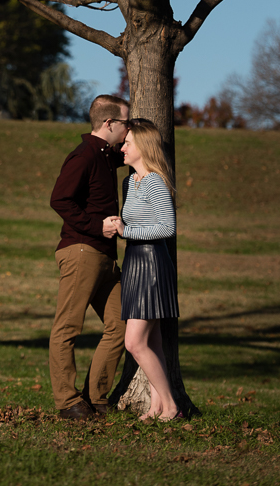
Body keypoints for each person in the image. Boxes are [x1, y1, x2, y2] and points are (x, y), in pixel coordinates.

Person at [48, 94, 129, 421]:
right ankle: (67, 401)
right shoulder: (83, 156)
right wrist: (97, 226)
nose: (128, 131)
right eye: (126, 123)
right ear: (109, 123)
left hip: (106, 258)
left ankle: (97, 397)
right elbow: (60, 200)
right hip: (82, 250)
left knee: (122, 324)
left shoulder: (107, 158)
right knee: (68, 326)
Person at [109, 119, 181, 422]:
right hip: (134, 263)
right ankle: (156, 406)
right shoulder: (130, 182)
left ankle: (171, 405)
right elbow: (135, 224)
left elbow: (167, 226)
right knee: (151, 342)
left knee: (134, 342)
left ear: (143, 147)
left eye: (128, 143)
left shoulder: (154, 180)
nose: (122, 148)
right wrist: (115, 226)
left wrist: (127, 231)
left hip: (152, 264)